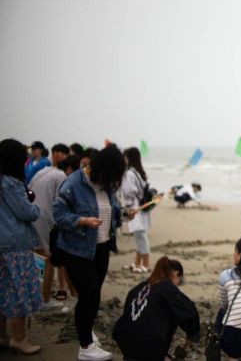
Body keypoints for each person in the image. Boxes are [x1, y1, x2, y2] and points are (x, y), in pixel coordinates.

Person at [53, 145, 126, 361]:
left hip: (102, 247)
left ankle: (86, 332)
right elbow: (58, 213)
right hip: (77, 249)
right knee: (89, 294)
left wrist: (124, 213)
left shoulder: (106, 185)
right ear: (103, 168)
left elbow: (111, 209)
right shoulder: (74, 183)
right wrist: (82, 220)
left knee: (93, 296)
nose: (113, 181)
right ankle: (85, 347)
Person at [0, 138, 43, 354]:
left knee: (2, 292)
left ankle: (2, 336)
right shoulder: (10, 183)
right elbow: (26, 212)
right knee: (17, 292)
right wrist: (36, 209)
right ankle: (19, 338)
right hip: (14, 245)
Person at [113, 256, 200, 361]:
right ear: (176, 273)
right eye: (179, 281)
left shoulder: (138, 288)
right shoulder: (167, 288)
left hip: (124, 341)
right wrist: (192, 335)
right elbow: (190, 312)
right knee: (174, 310)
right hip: (149, 344)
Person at [28, 143, 70, 309]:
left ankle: (35, 297)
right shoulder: (61, 175)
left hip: (31, 217)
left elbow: (29, 193)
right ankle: (44, 300)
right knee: (48, 259)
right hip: (46, 220)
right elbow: (61, 203)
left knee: (37, 258)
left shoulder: (41, 171)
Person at [120, 147, 152, 273]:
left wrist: (126, 208)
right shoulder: (140, 172)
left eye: (125, 157)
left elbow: (129, 192)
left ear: (128, 158)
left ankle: (146, 264)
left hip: (134, 207)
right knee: (139, 235)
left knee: (140, 236)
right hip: (143, 207)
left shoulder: (129, 173)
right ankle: (137, 262)